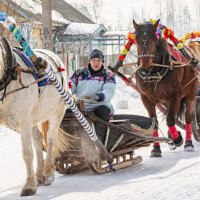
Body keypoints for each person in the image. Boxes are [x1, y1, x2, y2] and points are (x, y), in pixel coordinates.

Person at [70, 49, 116, 141]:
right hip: (80, 106)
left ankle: (99, 142)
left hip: (98, 106)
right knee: (65, 114)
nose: (96, 63)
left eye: (99, 60)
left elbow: (109, 90)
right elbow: (70, 87)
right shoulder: (79, 73)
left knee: (103, 112)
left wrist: (100, 96)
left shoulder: (108, 75)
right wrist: (66, 92)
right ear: (89, 61)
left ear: (102, 61)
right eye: (93, 60)